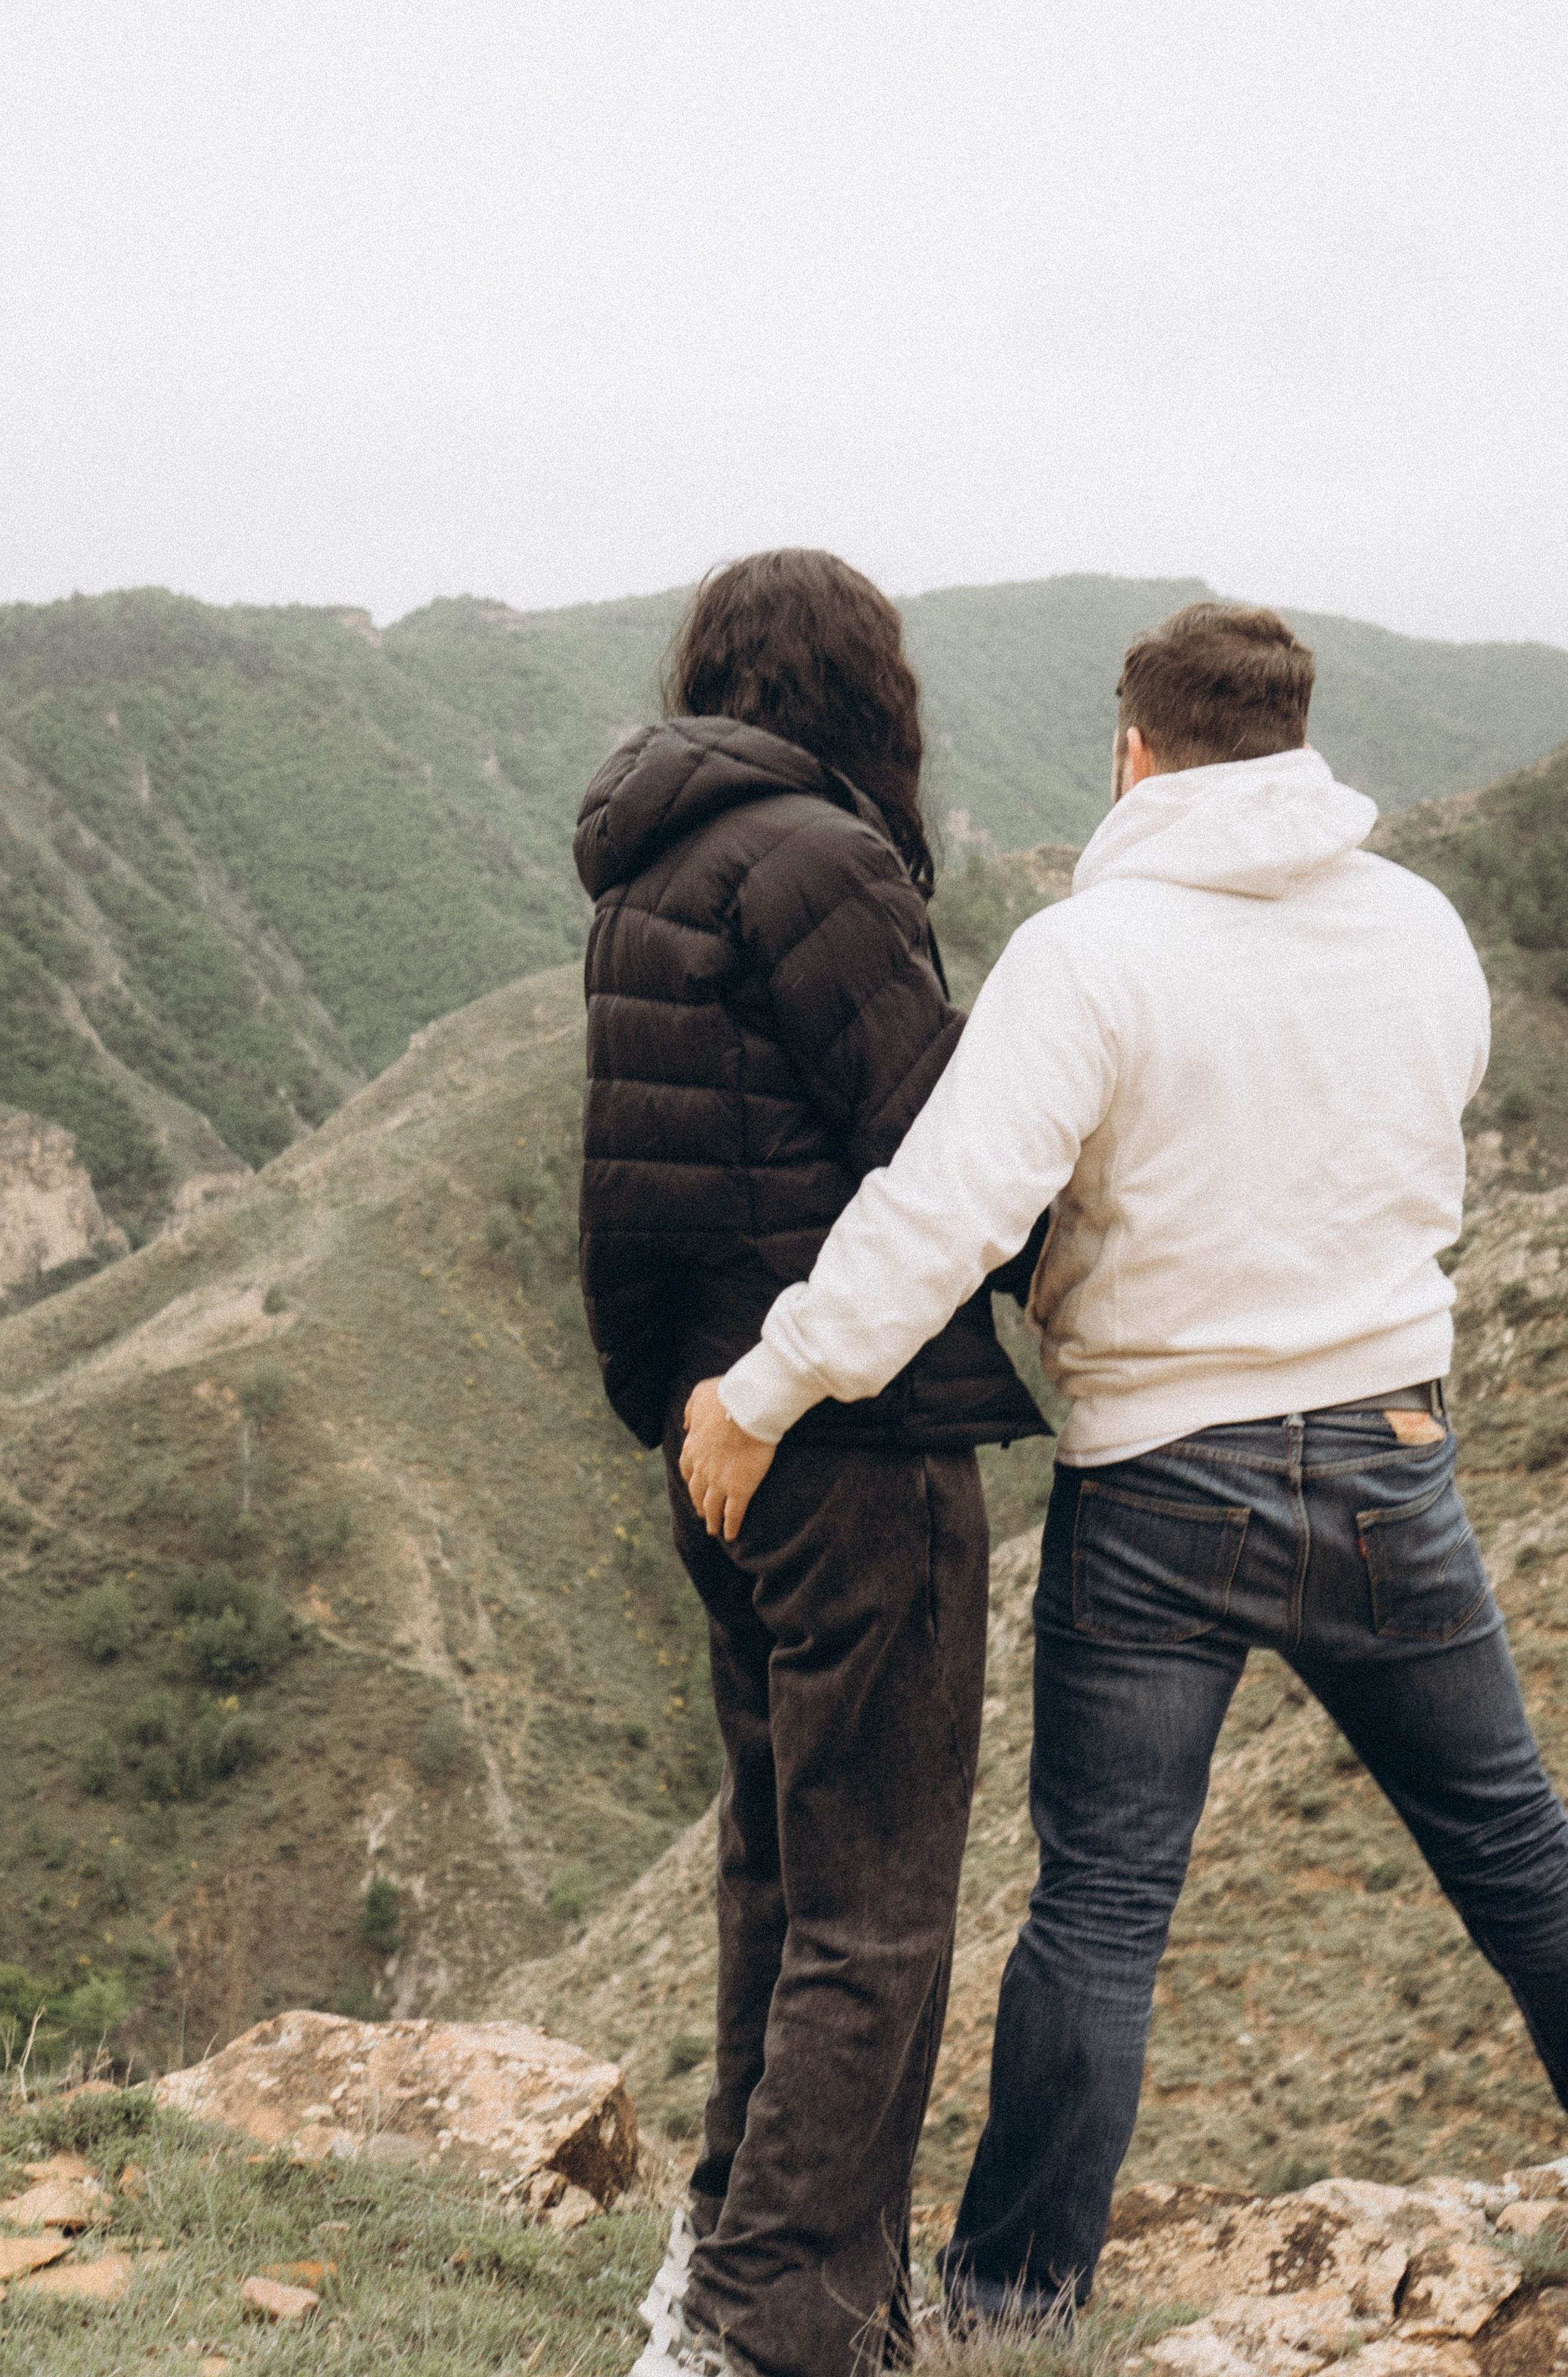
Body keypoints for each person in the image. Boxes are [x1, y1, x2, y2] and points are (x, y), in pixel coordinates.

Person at [680, 599, 1568, 2324]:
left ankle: (1016, 2309)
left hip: (1165, 1476)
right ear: (1299, 742)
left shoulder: (1094, 955)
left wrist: (765, 1390)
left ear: (1134, 751)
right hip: (1393, 1454)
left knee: (1102, 1908)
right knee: (1524, 1855)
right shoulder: (1421, 929)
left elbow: (944, 1215)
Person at [574, 548, 1048, 2376]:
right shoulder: (828, 863)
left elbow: (638, 1196)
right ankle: (778, 2330)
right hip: (855, 1438)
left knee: (777, 1872)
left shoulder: (651, 873)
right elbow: (953, 1161)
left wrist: (687, 1406)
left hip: (720, 1444)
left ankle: (722, 2260)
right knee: (880, 1913)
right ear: (868, 690)